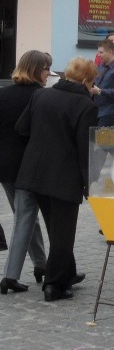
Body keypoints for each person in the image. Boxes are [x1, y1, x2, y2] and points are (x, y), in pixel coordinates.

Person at [15, 56, 98, 301]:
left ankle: (67, 273)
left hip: (36, 172)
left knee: (56, 229)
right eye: (91, 82)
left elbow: (22, 127)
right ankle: (54, 285)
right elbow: (86, 149)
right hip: (65, 176)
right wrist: (89, 183)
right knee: (63, 233)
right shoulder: (85, 106)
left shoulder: (41, 95)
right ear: (85, 80)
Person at [0, 51, 50, 294]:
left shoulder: (3, 94)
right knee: (24, 218)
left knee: (27, 217)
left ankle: (42, 265)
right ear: (36, 70)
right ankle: (10, 276)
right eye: (46, 69)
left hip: (5, 168)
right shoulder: (40, 96)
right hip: (27, 168)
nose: (48, 74)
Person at [92, 39, 114, 127]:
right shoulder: (100, 66)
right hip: (96, 109)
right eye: (98, 52)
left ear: (110, 52)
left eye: (101, 52)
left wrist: (100, 91)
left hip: (110, 111)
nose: (99, 55)